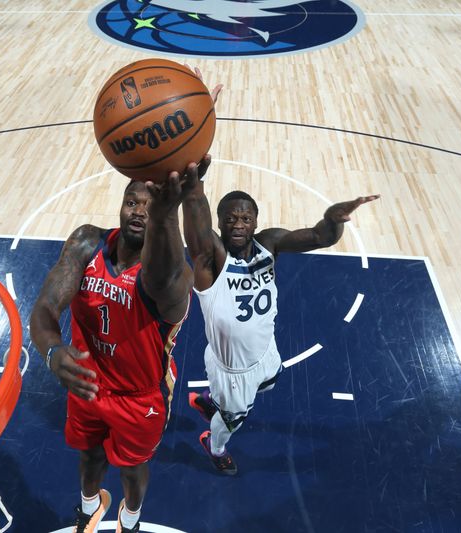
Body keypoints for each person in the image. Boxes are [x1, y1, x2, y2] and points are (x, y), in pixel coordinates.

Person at [30, 163, 207, 533]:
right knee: (90, 455)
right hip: (87, 383)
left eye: (148, 205)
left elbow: (168, 273)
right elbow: (47, 305)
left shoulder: (171, 279)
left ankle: (130, 521)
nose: (138, 211)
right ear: (121, 205)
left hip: (139, 398)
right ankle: (88, 509)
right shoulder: (86, 243)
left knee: (131, 468)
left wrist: (166, 214)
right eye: (132, 202)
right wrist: (52, 349)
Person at [182, 164, 380, 475]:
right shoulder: (211, 258)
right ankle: (215, 445)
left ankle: (214, 401)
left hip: (264, 352)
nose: (238, 224)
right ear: (219, 223)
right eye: (230, 219)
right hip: (234, 367)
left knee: (267, 383)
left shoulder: (269, 243)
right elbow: (195, 225)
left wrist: (333, 218)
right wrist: (195, 184)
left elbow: (319, 236)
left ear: (256, 222)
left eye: (246, 219)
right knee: (234, 419)